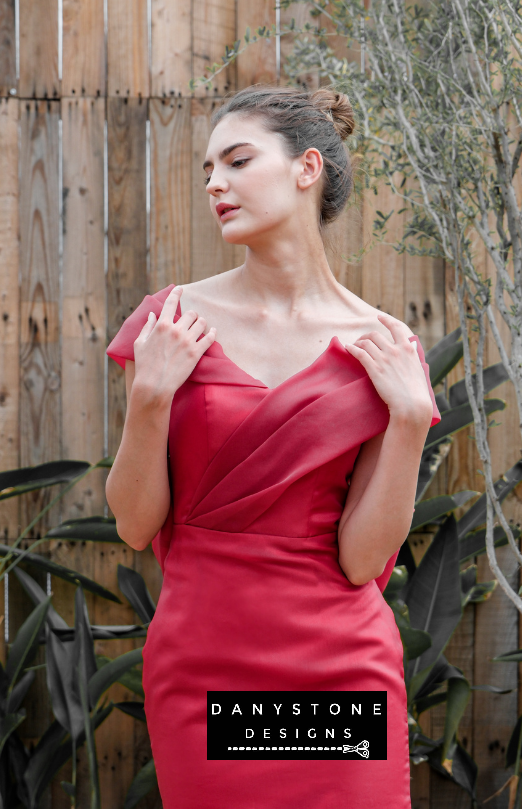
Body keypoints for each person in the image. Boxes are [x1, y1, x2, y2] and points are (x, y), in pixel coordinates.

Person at [105, 85, 440, 809]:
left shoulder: (381, 346)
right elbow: (134, 525)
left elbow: (360, 560)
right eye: (207, 169)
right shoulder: (170, 323)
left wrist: (409, 421)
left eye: (236, 160)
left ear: (305, 167)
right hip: (205, 668)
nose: (214, 183)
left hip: (338, 666)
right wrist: (150, 399)